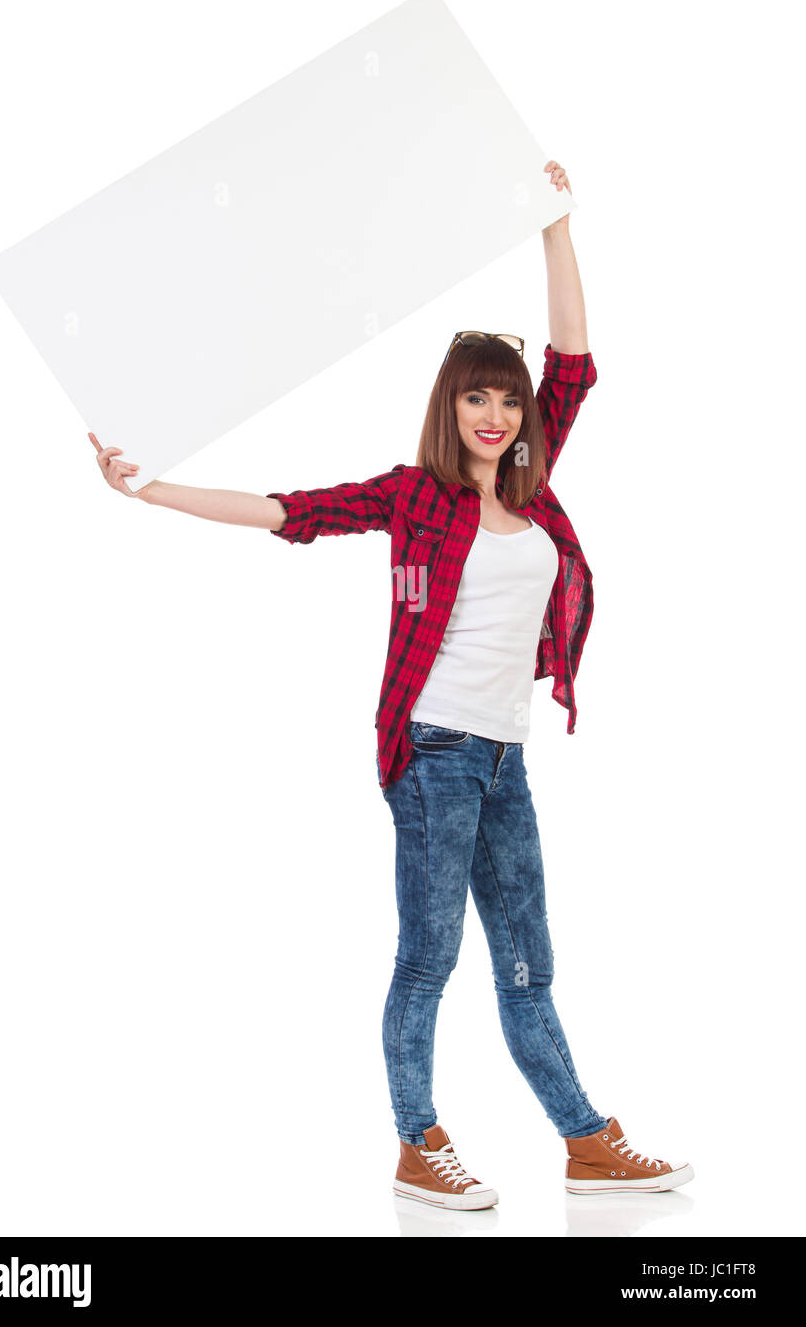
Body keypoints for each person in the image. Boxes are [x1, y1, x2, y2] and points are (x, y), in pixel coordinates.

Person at [91, 160, 693, 1210]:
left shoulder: (534, 489)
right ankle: (417, 1142)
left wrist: (553, 225)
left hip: (504, 757)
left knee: (526, 965)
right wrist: (150, 492)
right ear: (449, 406)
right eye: (476, 397)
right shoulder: (413, 498)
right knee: (429, 960)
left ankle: (583, 1140)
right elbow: (290, 510)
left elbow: (575, 363)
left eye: (507, 399)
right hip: (433, 756)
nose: (497, 414)